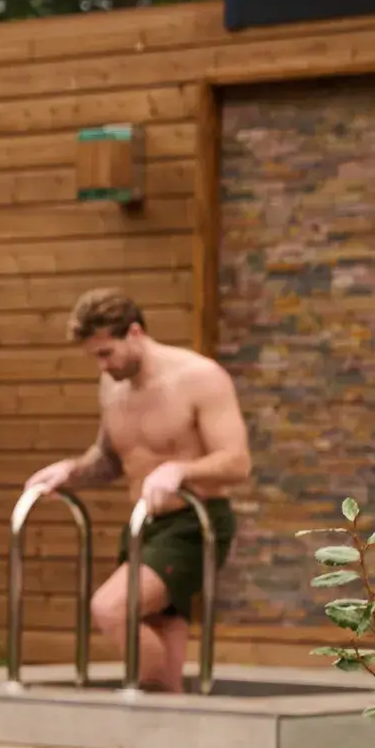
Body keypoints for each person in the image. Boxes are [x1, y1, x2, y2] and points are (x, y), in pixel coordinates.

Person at [25, 288, 253, 694]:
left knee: (112, 608)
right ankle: (174, 724)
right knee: (161, 642)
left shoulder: (199, 378)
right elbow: (110, 459)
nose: (102, 365)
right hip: (144, 525)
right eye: (94, 356)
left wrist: (180, 470)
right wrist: (71, 472)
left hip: (193, 522)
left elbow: (237, 461)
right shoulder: (112, 386)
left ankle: (167, 709)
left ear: (135, 333)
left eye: (106, 353)